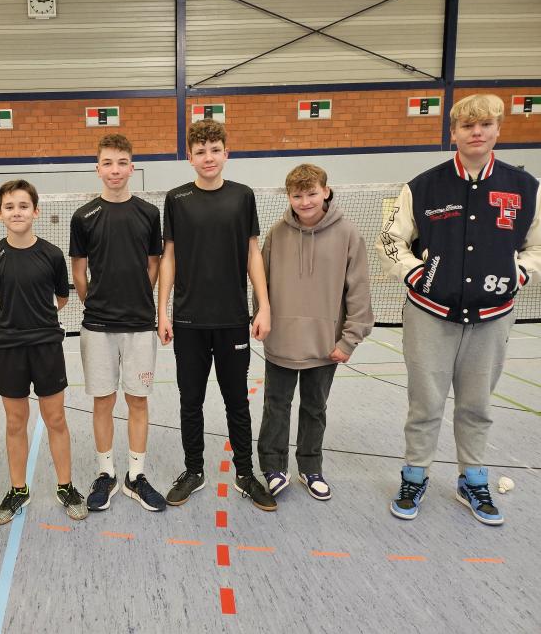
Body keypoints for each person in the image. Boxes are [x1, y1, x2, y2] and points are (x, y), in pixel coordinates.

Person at [376, 94, 541, 525]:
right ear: (453, 132)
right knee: (425, 403)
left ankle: (472, 478)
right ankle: (415, 474)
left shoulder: (526, 189)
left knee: (477, 405)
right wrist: (416, 275)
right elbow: (391, 240)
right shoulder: (422, 186)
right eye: (467, 126)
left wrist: (519, 272)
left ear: (498, 130)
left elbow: (537, 246)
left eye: (485, 125)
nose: (476, 132)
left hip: (492, 318)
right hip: (430, 315)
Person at [157, 119, 276, 511]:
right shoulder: (176, 199)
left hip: (232, 320)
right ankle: (194, 470)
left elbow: (252, 252)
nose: (208, 158)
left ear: (227, 152)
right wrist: (163, 310)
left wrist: (264, 304)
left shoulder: (243, 196)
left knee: (236, 400)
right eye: (200, 151)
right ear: (189, 157)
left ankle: (245, 473)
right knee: (189, 401)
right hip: (189, 322)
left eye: (215, 150)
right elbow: (169, 257)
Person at [258, 164, 373, 501]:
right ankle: (273, 467)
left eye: (311, 193)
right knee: (275, 406)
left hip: (326, 347)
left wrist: (349, 339)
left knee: (314, 408)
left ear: (325, 191)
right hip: (281, 341)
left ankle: (310, 467)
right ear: (289, 196)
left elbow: (359, 292)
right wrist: (260, 317)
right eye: (297, 195)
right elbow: (261, 285)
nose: (305, 201)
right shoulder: (276, 234)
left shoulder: (349, 234)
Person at [70, 134, 165, 512]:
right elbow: (79, 271)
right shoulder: (84, 217)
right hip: (98, 326)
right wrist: (94, 301)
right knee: (103, 401)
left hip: (140, 324)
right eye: (108, 162)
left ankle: (135, 476)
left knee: (138, 400)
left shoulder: (148, 213)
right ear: (98, 168)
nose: (115, 169)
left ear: (131, 167)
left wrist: (141, 293)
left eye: (122, 162)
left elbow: (154, 262)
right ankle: (106, 473)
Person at [0, 179, 87, 525]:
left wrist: (39, 323)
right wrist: (10, 322)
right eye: (9, 207)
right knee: (15, 421)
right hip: (9, 349)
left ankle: (66, 486)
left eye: (23, 206)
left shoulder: (52, 254)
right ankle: (18, 490)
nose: (17, 212)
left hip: (46, 347)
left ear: (35, 211)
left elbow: (62, 297)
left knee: (56, 418)